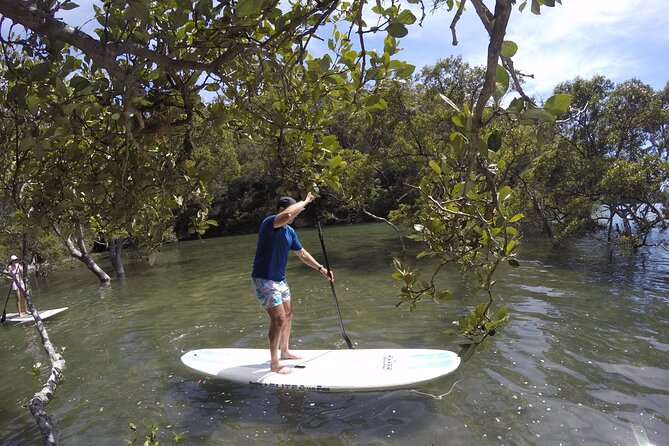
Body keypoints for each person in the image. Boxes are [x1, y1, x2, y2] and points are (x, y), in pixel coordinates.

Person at [251, 192, 333, 374]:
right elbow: (288, 215)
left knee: (288, 315)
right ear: (282, 209)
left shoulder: (290, 232)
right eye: (296, 212)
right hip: (264, 279)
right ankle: (274, 364)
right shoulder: (270, 223)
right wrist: (306, 201)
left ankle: (285, 351)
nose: (296, 216)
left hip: (280, 279)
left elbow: (302, 254)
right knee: (278, 320)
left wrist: (322, 269)